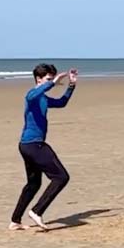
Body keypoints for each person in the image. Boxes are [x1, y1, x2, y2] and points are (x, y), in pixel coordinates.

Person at [11, 64, 78, 231]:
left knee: (33, 184)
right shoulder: (31, 95)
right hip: (33, 145)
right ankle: (36, 211)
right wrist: (53, 82)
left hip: (28, 145)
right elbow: (34, 93)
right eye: (47, 79)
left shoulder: (42, 98)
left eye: (51, 79)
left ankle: (15, 221)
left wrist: (71, 85)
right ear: (38, 79)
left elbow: (62, 103)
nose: (51, 83)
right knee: (61, 177)